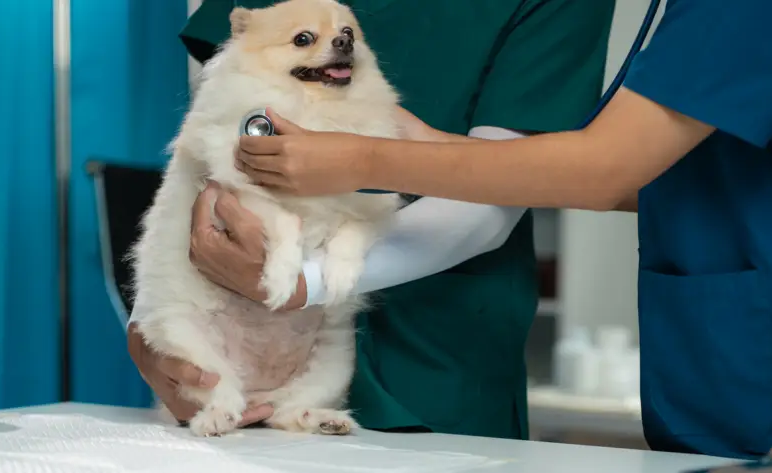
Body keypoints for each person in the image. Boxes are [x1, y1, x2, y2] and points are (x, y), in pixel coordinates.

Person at [205, 0, 772, 460]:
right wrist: (420, 137)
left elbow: (608, 169)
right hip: (729, 365)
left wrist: (361, 157)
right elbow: (659, 177)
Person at [128, 0, 616, 439]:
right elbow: (206, 139)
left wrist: (309, 280)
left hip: (436, 360)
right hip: (225, 363)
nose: (337, 45)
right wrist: (154, 321)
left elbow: (502, 191)